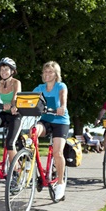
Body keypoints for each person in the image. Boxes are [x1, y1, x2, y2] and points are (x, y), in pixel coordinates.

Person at [32, 61, 70, 201]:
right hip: (46, 120)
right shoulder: (39, 88)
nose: (47, 74)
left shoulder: (60, 86)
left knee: (57, 152)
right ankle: (32, 170)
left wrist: (63, 106)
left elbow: (62, 96)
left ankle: (60, 183)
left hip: (60, 121)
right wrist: (18, 106)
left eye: (50, 72)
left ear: (56, 74)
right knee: (33, 132)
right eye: (45, 71)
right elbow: (28, 99)